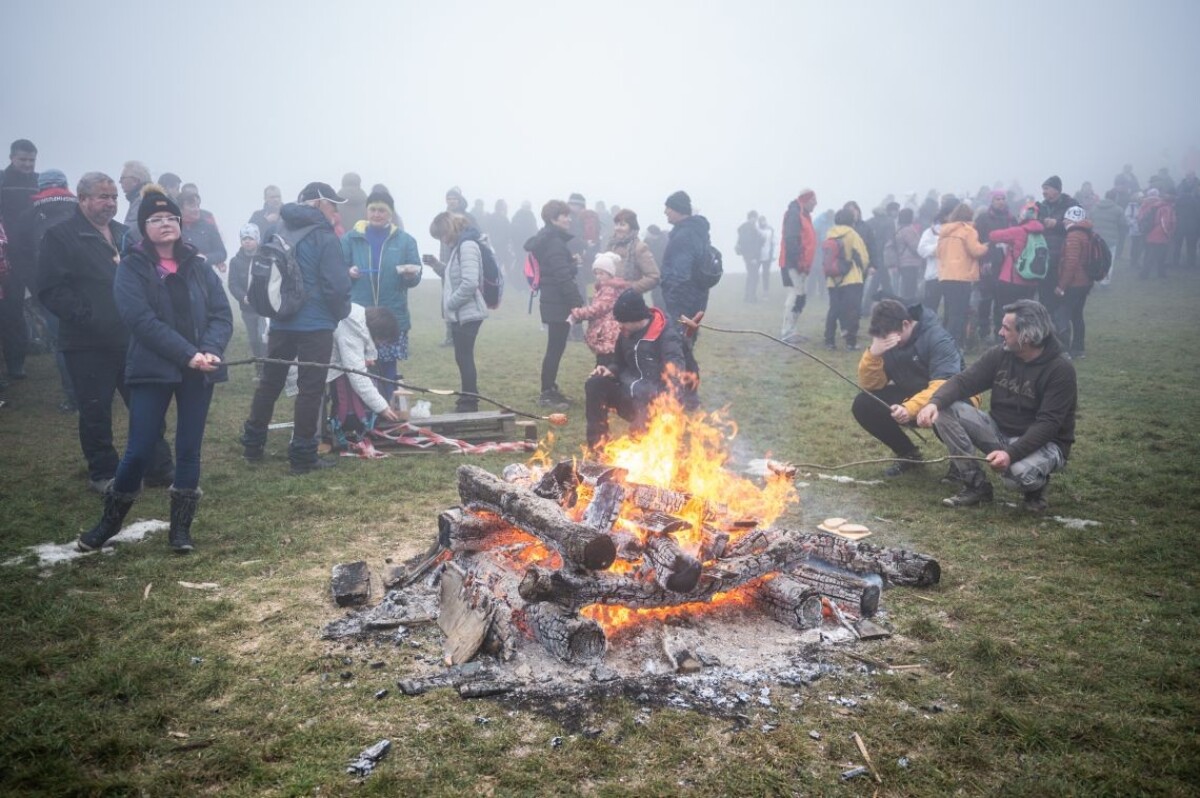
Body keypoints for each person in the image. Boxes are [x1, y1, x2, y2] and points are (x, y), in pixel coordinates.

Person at [76, 185, 232, 553]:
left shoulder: (198, 263)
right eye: (157, 219)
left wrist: (208, 349)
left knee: (189, 449)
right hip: (152, 369)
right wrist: (187, 354)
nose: (166, 224)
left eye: (171, 218)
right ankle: (108, 524)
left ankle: (180, 531)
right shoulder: (132, 266)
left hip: (199, 370)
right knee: (140, 447)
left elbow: (221, 314)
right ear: (143, 227)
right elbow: (140, 320)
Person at [38, 172, 174, 492]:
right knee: (96, 410)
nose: (110, 202)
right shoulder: (60, 236)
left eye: (113, 197)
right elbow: (50, 289)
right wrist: (89, 316)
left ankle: (158, 467)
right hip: (86, 342)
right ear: (82, 199)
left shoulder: (124, 233)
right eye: (102, 196)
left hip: (130, 339)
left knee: (146, 403)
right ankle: (104, 472)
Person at [917, 299, 1075, 512]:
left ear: (1027, 335)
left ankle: (1035, 490)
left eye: (1006, 328)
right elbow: (964, 381)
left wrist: (1011, 454)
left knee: (1015, 476)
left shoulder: (1060, 369)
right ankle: (976, 485)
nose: (999, 332)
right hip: (1000, 431)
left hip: (1045, 443)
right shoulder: (999, 354)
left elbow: (1048, 424)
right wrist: (934, 403)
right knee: (945, 410)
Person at [240, 181, 352, 474]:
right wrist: (341, 313)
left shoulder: (277, 229)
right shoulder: (325, 237)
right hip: (315, 324)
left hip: (280, 320)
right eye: (333, 205)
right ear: (317, 203)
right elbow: (337, 286)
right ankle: (303, 455)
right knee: (310, 389)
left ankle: (253, 444)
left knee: (270, 382)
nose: (336, 212)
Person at [853, 298, 970, 476]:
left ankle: (961, 462)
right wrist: (873, 356)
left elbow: (945, 385)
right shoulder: (887, 342)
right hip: (913, 395)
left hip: (954, 397)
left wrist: (910, 408)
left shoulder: (938, 338)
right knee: (864, 404)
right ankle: (909, 455)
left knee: (946, 409)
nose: (889, 344)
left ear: (906, 324)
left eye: (891, 339)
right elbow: (871, 386)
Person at [11, 169, 79, 409]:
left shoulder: (28, 216)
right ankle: (98, 390)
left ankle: (73, 397)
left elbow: (19, 255)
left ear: (40, 188)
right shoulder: (82, 209)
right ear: (65, 184)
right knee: (92, 339)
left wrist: (36, 286)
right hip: (87, 286)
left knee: (63, 341)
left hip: (51, 289)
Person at [584, 289, 685, 449]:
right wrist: (611, 370)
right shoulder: (626, 332)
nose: (620, 326)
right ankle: (598, 448)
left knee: (638, 441)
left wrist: (665, 402)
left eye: (623, 321)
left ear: (635, 317)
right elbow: (618, 361)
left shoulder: (665, 334)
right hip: (629, 397)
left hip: (655, 403)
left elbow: (675, 373)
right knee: (595, 384)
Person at [342, 189, 421, 390]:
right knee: (361, 368)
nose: (377, 214)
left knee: (387, 368)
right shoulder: (350, 239)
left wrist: (411, 275)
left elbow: (415, 276)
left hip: (392, 314)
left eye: (382, 210)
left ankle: (386, 410)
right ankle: (363, 415)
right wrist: (347, 272)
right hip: (361, 314)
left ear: (390, 214)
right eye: (373, 209)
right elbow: (336, 271)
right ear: (367, 212)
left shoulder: (405, 241)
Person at [525, 199, 583, 409]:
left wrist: (571, 264)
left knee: (556, 347)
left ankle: (550, 389)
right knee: (555, 348)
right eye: (564, 215)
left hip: (551, 300)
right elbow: (561, 277)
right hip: (557, 302)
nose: (569, 219)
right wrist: (577, 302)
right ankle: (547, 393)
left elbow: (556, 269)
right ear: (553, 218)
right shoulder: (555, 242)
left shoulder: (548, 239)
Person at [428, 211, 487, 413]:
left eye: (442, 235)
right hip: (462, 313)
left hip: (468, 313)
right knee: (462, 357)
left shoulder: (467, 246)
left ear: (449, 230)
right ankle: (468, 397)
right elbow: (454, 274)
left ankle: (470, 401)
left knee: (464, 357)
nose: (442, 240)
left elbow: (469, 282)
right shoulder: (459, 246)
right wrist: (436, 265)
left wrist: (450, 304)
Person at [325, 304, 401, 449]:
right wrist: (382, 407)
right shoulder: (352, 331)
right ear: (378, 332)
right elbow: (357, 375)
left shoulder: (358, 320)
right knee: (314, 400)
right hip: (309, 363)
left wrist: (366, 355)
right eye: (382, 340)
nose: (381, 344)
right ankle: (314, 438)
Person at [660, 190, 711, 405]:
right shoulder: (697, 231)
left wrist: (674, 304)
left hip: (683, 303)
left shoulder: (684, 235)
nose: (665, 212)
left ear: (678, 210)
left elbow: (679, 275)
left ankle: (687, 395)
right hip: (696, 299)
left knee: (681, 346)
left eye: (668, 208)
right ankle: (687, 392)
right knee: (685, 344)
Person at [0, 139, 38, 380]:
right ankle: (15, 363)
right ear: (12, 158)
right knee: (11, 309)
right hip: (9, 255)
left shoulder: (38, 182)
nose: (27, 164)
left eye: (31, 160)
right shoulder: (2, 181)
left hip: (34, 253)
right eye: (23, 159)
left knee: (46, 303)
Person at [936, 203, 989, 349]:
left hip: (945, 275)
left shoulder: (944, 231)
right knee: (958, 314)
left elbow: (938, 253)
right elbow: (975, 251)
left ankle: (944, 344)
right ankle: (952, 346)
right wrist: (986, 246)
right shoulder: (968, 231)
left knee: (950, 312)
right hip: (961, 276)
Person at [985, 203, 1043, 336]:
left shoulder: (1018, 231)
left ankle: (1004, 339)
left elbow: (993, 235)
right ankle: (1023, 338)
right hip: (1031, 281)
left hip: (1011, 279)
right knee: (1024, 313)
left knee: (1006, 311)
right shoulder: (1040, 233)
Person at [972, 191, 1016, 347]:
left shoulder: (1011, 219)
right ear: (992, 201)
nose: (1001, 201)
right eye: (998, 199)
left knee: (1002, 301)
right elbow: (976, 240)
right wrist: (983, 260)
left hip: (1006, 265)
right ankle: (983, 332)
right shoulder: (983, 218)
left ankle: (1000, 332)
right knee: (985, 299)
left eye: (1003, 198)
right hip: (987, 264)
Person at [569, 251, 628, 367]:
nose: (598, 276)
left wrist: (577, 313)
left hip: (608, 333)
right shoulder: (604, 287)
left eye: (602, 273)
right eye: (596, 273)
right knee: (604, 362)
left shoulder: (610, 289)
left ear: (610, 273)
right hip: (606, 332)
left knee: (605, 363)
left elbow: (598, 308)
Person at [822, 208, 869, 350]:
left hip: (833, 279)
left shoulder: (829, 234)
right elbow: (863, 256)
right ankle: (851, 342)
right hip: (851, 279)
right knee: (852, 311)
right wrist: (862, 271)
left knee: (834, 309)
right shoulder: (852, 234)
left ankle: (829, 340)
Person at [226, 223, 268, 378]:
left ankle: (268, 368)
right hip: (248, 309)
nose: (247, 242)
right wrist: (243, 297)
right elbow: (233, 284)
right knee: (254, 340)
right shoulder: (235, 262)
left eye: (250, 238)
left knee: (263, 337)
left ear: (257, 239)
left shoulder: (266, 257)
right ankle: (259, 368)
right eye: (244, 239)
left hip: (264, 308)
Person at [1054, 205, 1095, 359]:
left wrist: (1061, 286)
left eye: (1066, 218)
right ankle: (1078, 349)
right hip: (1086, 282)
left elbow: (1070, 263)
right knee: (1077, 315)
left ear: (1071, 219)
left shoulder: (1073, 236)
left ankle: (1064, 350)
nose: (1063, 222)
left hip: (1074, 283)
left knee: (1062, 315)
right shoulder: (1087, 233)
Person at [1035, 176, 1078, 318]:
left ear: (1056, 189)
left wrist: (1057, 224)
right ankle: (1045, 325)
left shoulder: (1071, 206)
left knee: (1060, 296)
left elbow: (1079, 226)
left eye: (1046, 189)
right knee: (1044, 295)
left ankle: (1060, 329)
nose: (1044, 192)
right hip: (1043, 257)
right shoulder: (1041, 206)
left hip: (1063, 257)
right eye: (1043, 189)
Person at [779, 189, 817, 342]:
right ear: (806, 200)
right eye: (813, 200)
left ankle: (791, 329)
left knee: (800, 297)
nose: (816, 203)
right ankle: (786, 331)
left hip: (801, 264)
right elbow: (791, 240)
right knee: (795, 295)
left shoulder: (803, 215)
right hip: (793, 263)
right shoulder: (795, 214)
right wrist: (798, 262)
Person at [606, 208, 660, 297]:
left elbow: (654, 276)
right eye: (616, 224)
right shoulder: (611, 245)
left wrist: (630, 288)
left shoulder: (639, 247)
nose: (618, 228)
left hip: (629, 301)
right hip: (608, 299)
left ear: (631, 227)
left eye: (622, 225)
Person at [179, 190, 227, 275]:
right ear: (181, 208)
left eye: (198, 206)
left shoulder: (209, 227)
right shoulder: (173, 228)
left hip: (205, 276)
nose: (197, 209)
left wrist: (205, 258)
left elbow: (222, 253)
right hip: (180, 277)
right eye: (192, 206)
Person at [1137, 188, 1175, 279]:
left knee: (1149, 254)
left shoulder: (1149, 205)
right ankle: (1157, 274)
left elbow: (1140, 216)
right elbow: (1165, 223)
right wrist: (1168, 234)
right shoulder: (1166, 208)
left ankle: (1145, 274)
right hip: (1161, 234)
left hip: (1150, 232)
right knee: (1161, 255)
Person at [1089, 189, 1127, 267]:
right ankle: (1106, 278)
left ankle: (1095, 277)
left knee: (1097, 259)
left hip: (1096, 239)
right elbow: (1123, 225)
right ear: (1115, 198)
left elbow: (1089, 223)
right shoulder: (1119, 210)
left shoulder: (1094, 208)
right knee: (1109, 262)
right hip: (1111, 241)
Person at [893, 208, 924, 302]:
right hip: (910, 262)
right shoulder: (908, 230)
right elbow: (915, 246)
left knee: (906, 287)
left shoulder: (899, 229)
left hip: (902, 261)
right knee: (910, 289)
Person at [736, 211, 764, 303]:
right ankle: (751, 297)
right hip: (751, 257)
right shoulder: (747, 229)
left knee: (751, 276)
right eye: (754, 217)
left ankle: (748, 296)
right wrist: (751, 258)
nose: (756, 220)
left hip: (753, 257)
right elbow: (748, 244)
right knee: (754, 277)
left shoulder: (752, 228)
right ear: (751, 218)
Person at [119, 160, 151, 238]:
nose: (120, 182)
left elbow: (132, 234)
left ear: (135, 181)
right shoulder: (145, 197)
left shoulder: (142, 200)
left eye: (123, 178)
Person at [757, 213, 775, 297]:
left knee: (766, 274)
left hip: (767, 256)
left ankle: (765, 292)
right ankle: (754, 291)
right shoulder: (757, 230)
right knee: (755, 274)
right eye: (760, 221)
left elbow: (773, 242)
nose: (762, 222)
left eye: (763, 221)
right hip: (758, 256)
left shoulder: (770, 230)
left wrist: (772, 254)